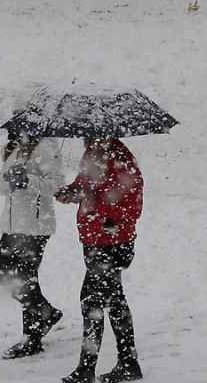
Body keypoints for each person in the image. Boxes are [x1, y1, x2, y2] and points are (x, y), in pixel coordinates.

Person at [56, 137, 144, 383]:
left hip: (112, 242)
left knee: (92, 301)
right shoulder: (93, 153)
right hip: (95, 240)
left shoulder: (120, 158)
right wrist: (72, 191)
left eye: (90, 132)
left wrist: (101, 207)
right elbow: (87, 185)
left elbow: (132, 203)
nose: (85, 137)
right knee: (113, 301)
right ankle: (128, 362)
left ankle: (87, 369)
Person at [0, 129, 66, 359]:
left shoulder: (46, 147)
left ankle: (32, 338)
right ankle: (46, 313)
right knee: (2, 274)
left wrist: (27, 180)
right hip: (13, 226)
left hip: (35, 226)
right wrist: (7, 180)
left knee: (25, 277)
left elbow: (55, 184)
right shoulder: (14, 148)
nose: (10, 129)